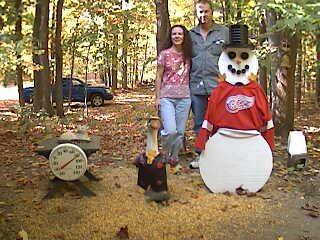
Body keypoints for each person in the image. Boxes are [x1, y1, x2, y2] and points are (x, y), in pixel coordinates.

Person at [189, 0, 229, 169]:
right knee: (199, 124)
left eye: (206, 11)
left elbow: (234, 58)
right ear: (196, 14)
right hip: (196, 86)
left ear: (212, 12)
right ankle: (201, 155)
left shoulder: (224, 32)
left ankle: (219, 156)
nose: (203, 15)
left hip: (218, 87)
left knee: (219, 123)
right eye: (200, 12)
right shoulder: (190, 35)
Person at [155, 25, 192, 170]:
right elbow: (158, 76)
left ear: (184, 37)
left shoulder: (188, 54)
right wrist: (157, 97)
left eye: (180, 34)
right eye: (174, 34)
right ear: (170, 36)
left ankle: (174, 157)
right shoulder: (164, 54)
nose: (177, 36)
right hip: (167, 97)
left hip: (184, 98)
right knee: (170, 130)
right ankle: (164, 153)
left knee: (180, 132)